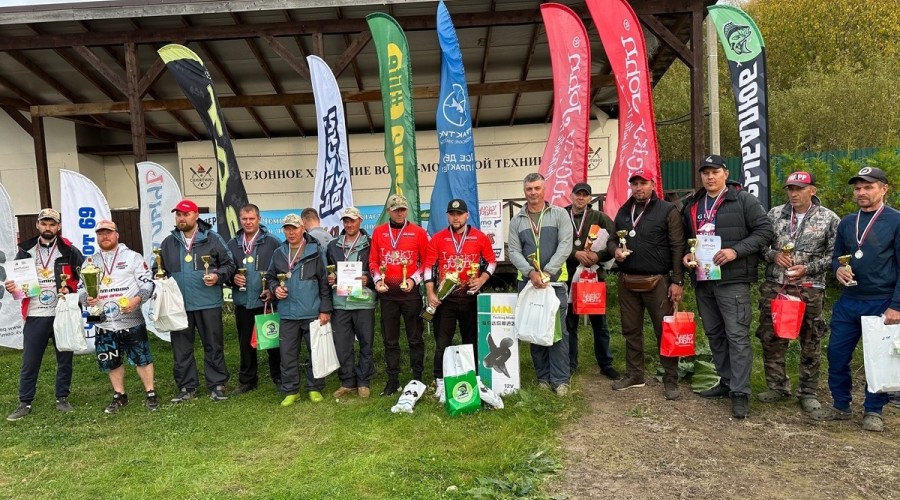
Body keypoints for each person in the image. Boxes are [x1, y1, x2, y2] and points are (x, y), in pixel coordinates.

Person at [681, 155, 773, 418]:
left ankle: (741, 392)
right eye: (705, 173)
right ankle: (726, 381)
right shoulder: (694, 204)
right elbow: (691, 240)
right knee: (714, 334)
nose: (710, 177)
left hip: (732, 280)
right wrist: (688, 256)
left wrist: (736, 251)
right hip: (703, 278)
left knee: (736, 336)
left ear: (725, 173)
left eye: (715, 172)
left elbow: (764, 231)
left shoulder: (742, 199)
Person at [811, 167, 900, 432]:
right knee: (836, 353)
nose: (861, 192)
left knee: (878, 358)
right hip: (850, 300)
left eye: (868, 187)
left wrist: (897, 306)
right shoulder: (848, 222)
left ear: (884, 189)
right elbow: (838, 255)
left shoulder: (896, 221)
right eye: (858, 188)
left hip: (882, 300)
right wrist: (839, 269)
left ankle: (874, 409)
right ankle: (841, 405)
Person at [754, 171, 839, 413]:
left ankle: (808, 391)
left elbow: (835, 256)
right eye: (790, 188)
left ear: (813, 190)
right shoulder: (773, 214)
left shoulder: (829, 218)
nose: (793, 193)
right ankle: (777, 386)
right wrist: (774, 255)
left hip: (809, 288)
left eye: (799, 188)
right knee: (771, 337)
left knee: (810, 339)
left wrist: (808, 268)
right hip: (776, 285)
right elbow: (759, 245)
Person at [609, 172, 686, 400]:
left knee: (664, 331)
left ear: (653, 184)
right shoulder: (624, 211)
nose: (639, 187)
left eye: (643, 183)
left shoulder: (667, 210)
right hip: (628, 280)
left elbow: (678, 245)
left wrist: (677, 281)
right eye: (634, 183)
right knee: (631, 330)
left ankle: (671, 379)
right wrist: (615, 251)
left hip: (658, 281)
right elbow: (613, 239)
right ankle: (635, 375)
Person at [5, 208, 84, 421]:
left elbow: (82, 277)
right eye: (44, 223)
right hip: (35, 313)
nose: (48, 228)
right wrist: (12, 287)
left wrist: (71, 289)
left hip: (62, 311)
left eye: (52, 224)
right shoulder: (25, 251)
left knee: (64, 357)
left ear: (58, 227)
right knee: (30, 360)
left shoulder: (69, 250)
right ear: (38, 225)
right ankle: (25, 401)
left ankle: (62, 397)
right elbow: (15, 282)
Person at [156, 199, 236, 403]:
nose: (181, 218)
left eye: (185, 214)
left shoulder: (212, 239)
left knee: (213, 345)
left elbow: (229, 265)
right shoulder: (168, 243)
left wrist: (217, 276)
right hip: (178, 305)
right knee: (181, 349)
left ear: (196, 216)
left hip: (208, 302)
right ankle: (186, 387)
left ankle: (217, 384)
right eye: (178, 215)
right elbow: (159, 270)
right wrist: (158, 279)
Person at [79, 220, 158, 413]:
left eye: (108, 232)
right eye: (100, 233)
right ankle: (119, 394)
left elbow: (148, 283)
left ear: (117, 234)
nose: (104, 236)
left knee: (142, 356)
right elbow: (80, 289)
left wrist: (137, 300)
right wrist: (85, 298)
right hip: (99, 317)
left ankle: (150, 392)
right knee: (109, 358)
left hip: (129, 315)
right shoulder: (90, 261)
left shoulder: (133, 257)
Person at [423, 199, 497, 397]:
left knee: (470, 340)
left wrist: (482, 279)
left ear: (467, 215)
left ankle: (471, 377)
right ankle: (439, 380)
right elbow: (428, 267)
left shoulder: (480, 237)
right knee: (442, 342)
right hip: (445, 299)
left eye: (459, 214)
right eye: (452, 214)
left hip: (470, 297)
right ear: (448, 216)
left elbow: (491, 262)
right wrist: (430, 293)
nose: (456, 217)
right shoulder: (438, 238)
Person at [508, 173, 573, 395]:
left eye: (537, 188)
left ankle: (560, 379)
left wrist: (547, 272)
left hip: (553, 284)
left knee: (556, 332)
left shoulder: (559, 214)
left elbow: (565, 245)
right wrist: (529, 272)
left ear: (544, 189)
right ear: (524, 191)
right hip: (527, 285)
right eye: (529, 189)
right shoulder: (517, 220)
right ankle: (543, 378)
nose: (533, 193)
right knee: (533, 329)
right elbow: (513, 251)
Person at [267, 214, 333, 406]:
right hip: (287, 313)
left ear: (303, 228)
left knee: (316, 353)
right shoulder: (279, 252)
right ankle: (291, 390)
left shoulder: (315, 250)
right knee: (287, 354)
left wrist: (325, 309)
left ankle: (315, 388)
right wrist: (274, 288)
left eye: (294, 228)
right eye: (287, 228)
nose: (291, 232)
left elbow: (324, 283)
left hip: (312, 312)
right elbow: (271, 277)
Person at [369, 194, 429, 396]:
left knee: (415, 339)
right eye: (396, 210)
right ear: (389, 211)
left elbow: (425, 263)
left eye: (403, 209)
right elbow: (373, 262)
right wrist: (378, 280)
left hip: (410, 295)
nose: (400, 213)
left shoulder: (418, 232)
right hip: (387, 297)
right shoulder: (378, 233)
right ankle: (392, 380)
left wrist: (413, 280)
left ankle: (417, 378)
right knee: (390, 341)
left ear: (407, 210)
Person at [226, 204, 282, 395]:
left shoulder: (272, 242)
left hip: (267, 301)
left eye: (252, 219)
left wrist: (274, 291)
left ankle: (279, 377)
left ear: (259, 219)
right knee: (245, 343)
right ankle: (248, 380)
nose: (248, 222)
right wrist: (233, 277)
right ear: (240, 220)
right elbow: (226, 268)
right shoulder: (233, 244)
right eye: (244, 219)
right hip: (243, 301)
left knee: (273, 341)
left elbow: (281, 269)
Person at [564, 182, 618, 379]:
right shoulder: (562, 215)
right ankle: (570, 364)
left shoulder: (601, 218)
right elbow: (555, 243)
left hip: (594, 277)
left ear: (589, 198)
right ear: (571, 196)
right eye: (577, 194)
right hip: (568, 277)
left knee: (600, 324)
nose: (580, 198)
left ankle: (606, 364)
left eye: (585, 195)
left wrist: (598, 256)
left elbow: (614, 243)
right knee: (569, 324)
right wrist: (574, 254)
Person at [325, 207, 377, 399]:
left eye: (352, 220)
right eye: (346, 221)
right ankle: (347, 381)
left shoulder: (370, 244)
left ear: (360, 221)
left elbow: (378, 268)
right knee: (342, 344)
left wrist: (369, 280)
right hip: (340, 303)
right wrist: (330, 278)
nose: (349, 224)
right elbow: (327, 271)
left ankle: (363, 381)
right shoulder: (333, 246)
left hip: (363, 302)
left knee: (366, 343)